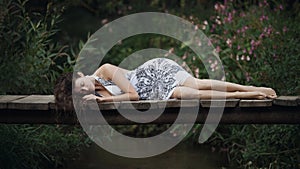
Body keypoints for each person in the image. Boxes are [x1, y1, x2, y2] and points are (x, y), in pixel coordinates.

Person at [54, 58, 277, 109]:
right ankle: (243, 96)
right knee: (193, 95)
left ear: (82, 74)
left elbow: (133, 95)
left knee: (198, 85)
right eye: (80, 91)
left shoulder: (105, 70)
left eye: (81, 83)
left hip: (155, 74)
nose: (85, 89)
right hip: (156, 93)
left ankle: (250, 89)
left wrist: (106, 99)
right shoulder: (95, 96)